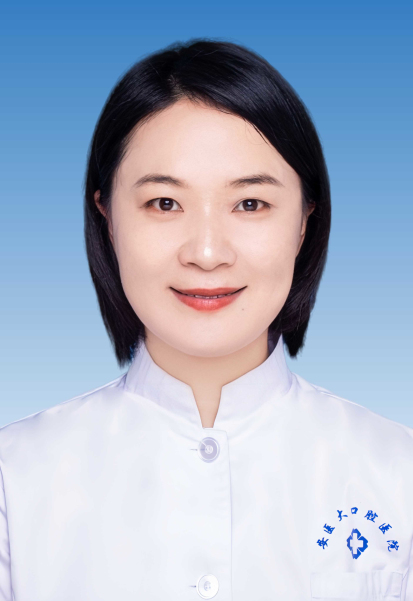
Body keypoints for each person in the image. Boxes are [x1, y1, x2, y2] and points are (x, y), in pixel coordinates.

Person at [0, 38, 412, 601]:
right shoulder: (15, 479)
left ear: (304, 220)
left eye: (250, 204)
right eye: (164, 204)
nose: (207, 253)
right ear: (107, 216)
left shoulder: (397, 472)